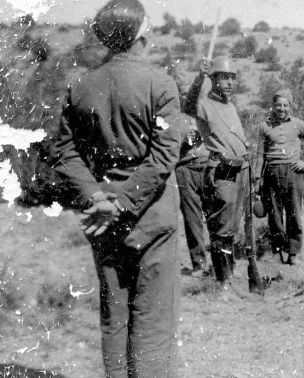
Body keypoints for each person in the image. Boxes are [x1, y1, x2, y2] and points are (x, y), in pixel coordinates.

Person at [52, 0, 182, 376]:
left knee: (115, 319)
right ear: (140, 36)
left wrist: (97, 196)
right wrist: (122, 201)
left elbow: (63, 151)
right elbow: (161, 160)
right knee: (154, 327)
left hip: (103, 219)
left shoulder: (81, 85)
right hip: (152, 217)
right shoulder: (161, 83)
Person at [185, 55, 249, 284]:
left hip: (240, 170)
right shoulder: (204, 104)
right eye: (225, 78)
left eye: (233, 78)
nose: (231, 83)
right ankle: (223, 283)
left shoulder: (230, 106)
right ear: (214, 80)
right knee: (221, 228)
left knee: (232, 227)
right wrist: (198, 79)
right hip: (222, 170)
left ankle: (228, 278)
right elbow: (188, 105)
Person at [254, 89, 304, 265]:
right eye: (278, 105)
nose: (281, 108)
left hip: (293, 173)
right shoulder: (264, 126)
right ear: (273, 106)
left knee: (294, 214)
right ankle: (277, 251)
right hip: (271, 173)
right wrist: (257, 178)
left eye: (285, 105)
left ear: (290, 106)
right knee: (274, 215)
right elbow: (260, 155)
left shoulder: (298, 124)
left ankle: (292, 252)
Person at [175, 111, 211, 277]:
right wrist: (183, 136)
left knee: (216, 215)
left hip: (208, 166)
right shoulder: (172, 116)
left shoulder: (208, 112)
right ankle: (199, 264)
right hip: (184, 168)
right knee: (192, 218)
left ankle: (220, 263)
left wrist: (202, 133)